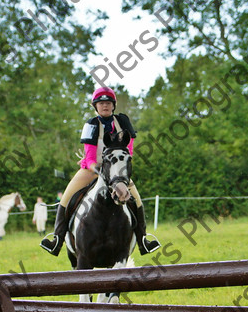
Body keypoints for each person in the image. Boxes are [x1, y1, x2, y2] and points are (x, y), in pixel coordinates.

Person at [40, 87, 161, 256]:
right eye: (101, 103)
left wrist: (117, 169)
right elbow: (89, 157)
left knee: (137, 200)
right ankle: (57, 240)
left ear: (114, 105)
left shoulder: (123, 122)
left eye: (108, 103)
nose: (105, 106)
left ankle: (143, 240)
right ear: (96, 106)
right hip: (92, 169)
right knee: (66, 198)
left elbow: (129, 151)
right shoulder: (91, 125)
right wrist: (97, 169)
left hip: (116, 171)